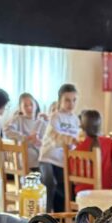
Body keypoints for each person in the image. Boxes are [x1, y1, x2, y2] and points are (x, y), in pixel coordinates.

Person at [39, 83, 80, 211]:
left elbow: (76, 140)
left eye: (74, 100)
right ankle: (45, 214)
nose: (71, 104)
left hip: (64, 161)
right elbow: (55, 136)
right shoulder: (55, 117)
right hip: (48, 158)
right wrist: (70, 139)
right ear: (60, 101)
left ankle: (59, 217)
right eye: (67, 100)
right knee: (50, 184)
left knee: (64, 190)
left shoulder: (76, 120)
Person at [72, 109, 112, 192]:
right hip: (104, 193)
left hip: (83, 195)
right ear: (99, 126)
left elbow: (75, 181)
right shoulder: (108, 142)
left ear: (82, 127)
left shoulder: (76, 150)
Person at [4, 93, 48, 169]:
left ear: (36, 105)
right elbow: (7, 130)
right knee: (30, 153)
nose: (29, 108)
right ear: (20, 108)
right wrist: (25, 138)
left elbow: (48, 139)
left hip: (40, 151)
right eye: (25, 106)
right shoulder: (17, 119)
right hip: (23, 151)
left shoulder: (42, 122)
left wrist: (39, 142)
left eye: (31, 105)